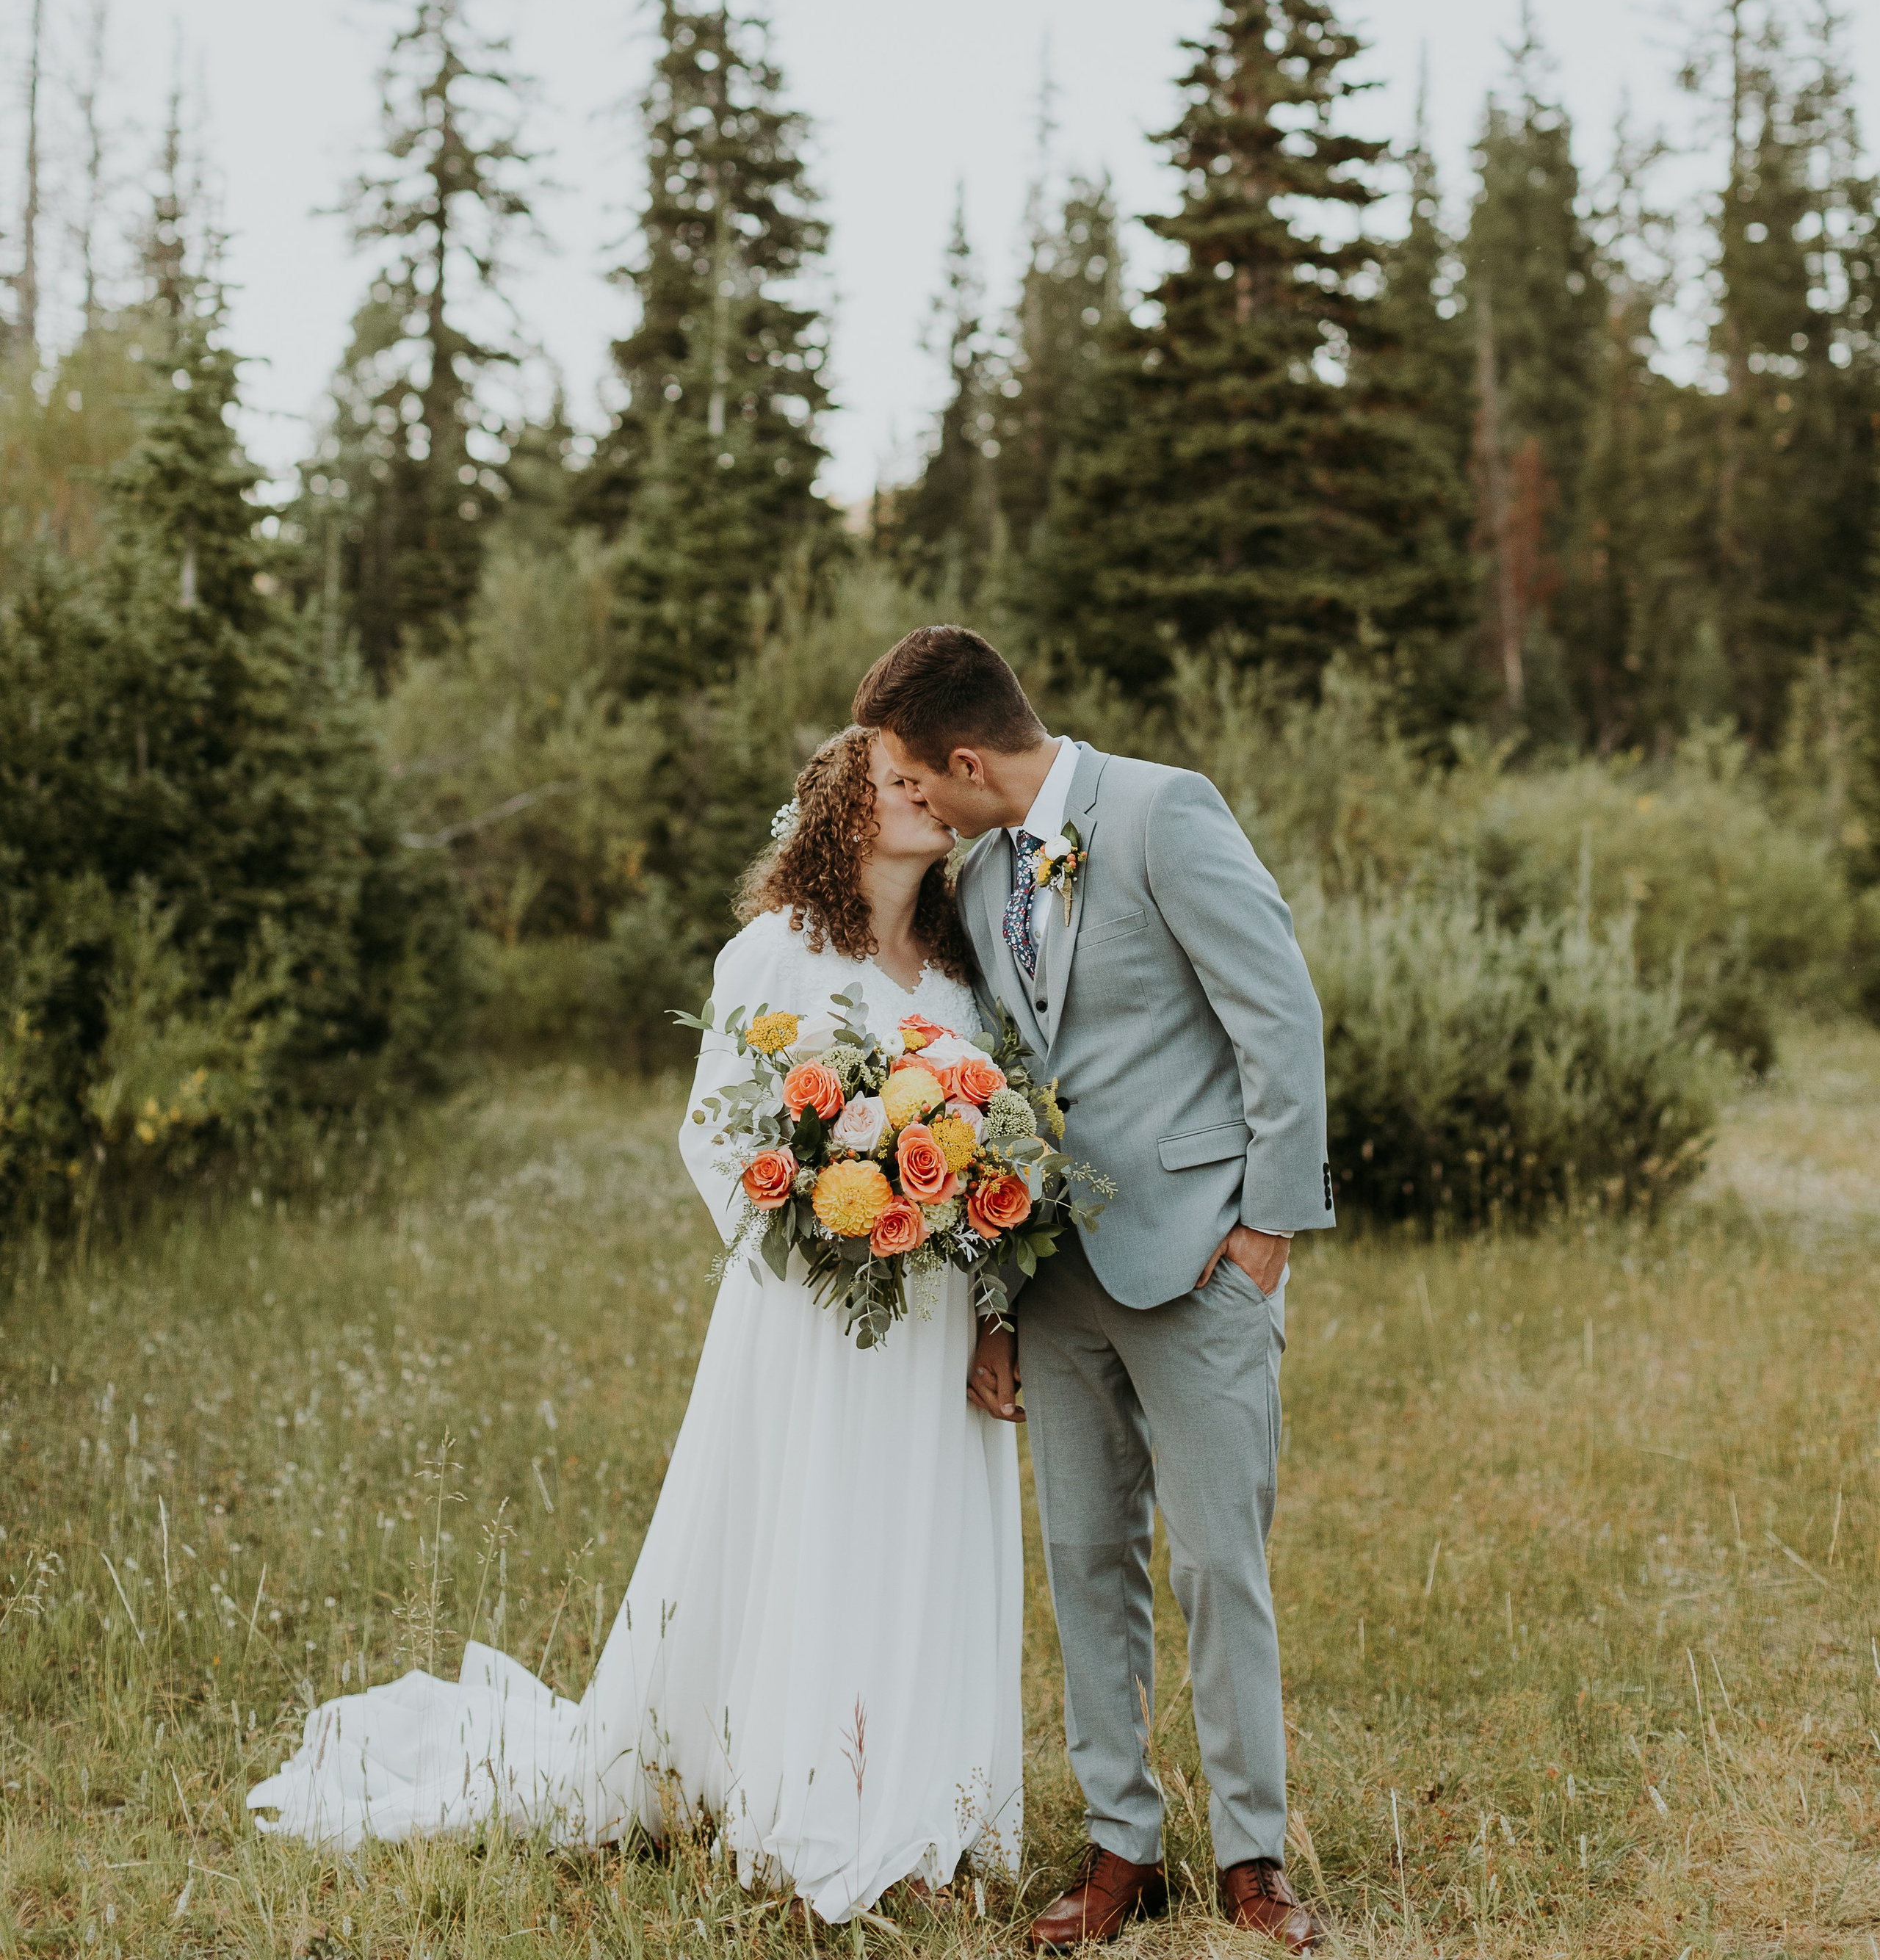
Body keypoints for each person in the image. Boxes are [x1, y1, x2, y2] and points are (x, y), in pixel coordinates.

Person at [247, 726, 1023, 1922]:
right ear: (842, 811)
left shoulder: (968, 971)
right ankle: (811, 1801)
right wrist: (821, 1221)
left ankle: (928, 1805)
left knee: (923, 1533)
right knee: (818, 1531)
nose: (922, 795)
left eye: (929, 780)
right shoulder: (773, 954)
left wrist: (988, 1302)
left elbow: (999, 1141)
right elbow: (715, 1132)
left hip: (933, 1314)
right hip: (814, 1311)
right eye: (895, 782)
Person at [855, 624, 1332, 1953]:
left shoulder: (1165, 812)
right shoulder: (989, 867)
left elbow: (1276, 1014)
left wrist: (1269, 1228)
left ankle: (1254, 1857)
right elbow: (995, 1082)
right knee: (1083, 1563)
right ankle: (1122, 1842)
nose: (914, 806)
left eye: (913, 779)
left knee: (1219, 1566)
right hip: (1055, 1275)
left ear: (963, 758)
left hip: (1200, 1265)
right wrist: (1000, 1301)